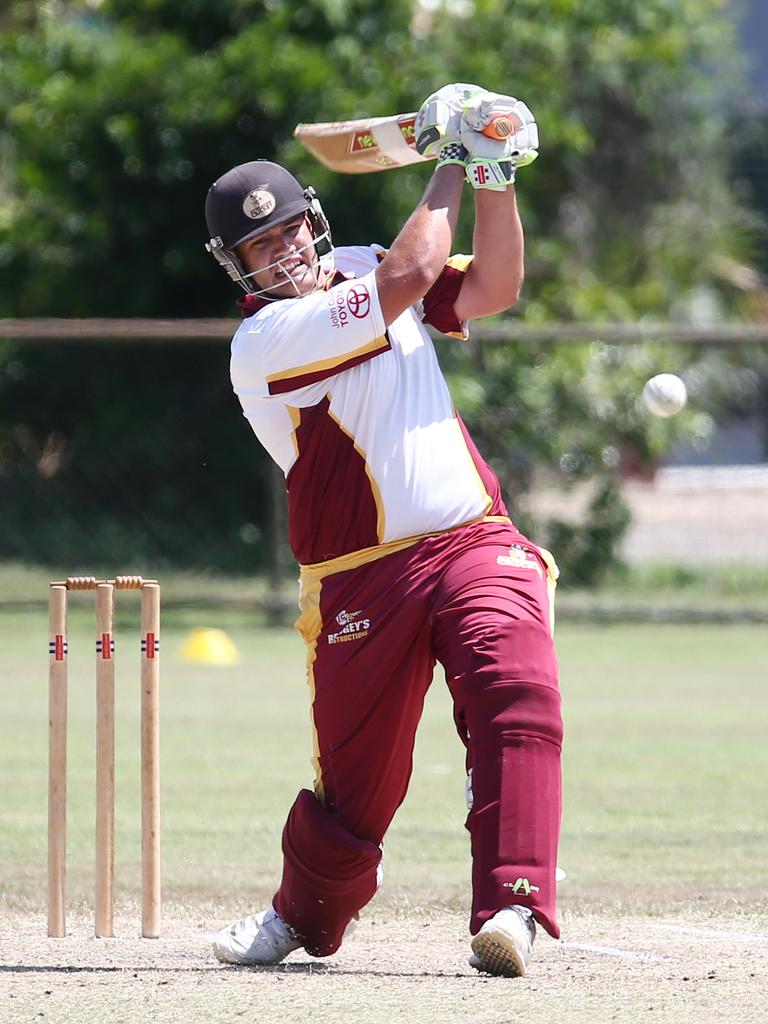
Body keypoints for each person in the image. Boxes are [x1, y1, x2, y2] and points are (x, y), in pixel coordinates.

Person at [203, 83, 563, 978]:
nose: (283, 250)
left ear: (313, 222)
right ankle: (303, 916)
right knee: (358, 786)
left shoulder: (367, 256)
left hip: (471, 539)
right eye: (261, 244)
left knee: (518, 694)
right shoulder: (268, 341)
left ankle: (512, 908)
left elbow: (494, 285)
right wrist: (450, 159)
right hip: (362, 576)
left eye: (289, 229)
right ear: (237, 265)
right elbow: (404, 282)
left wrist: (494, 173)